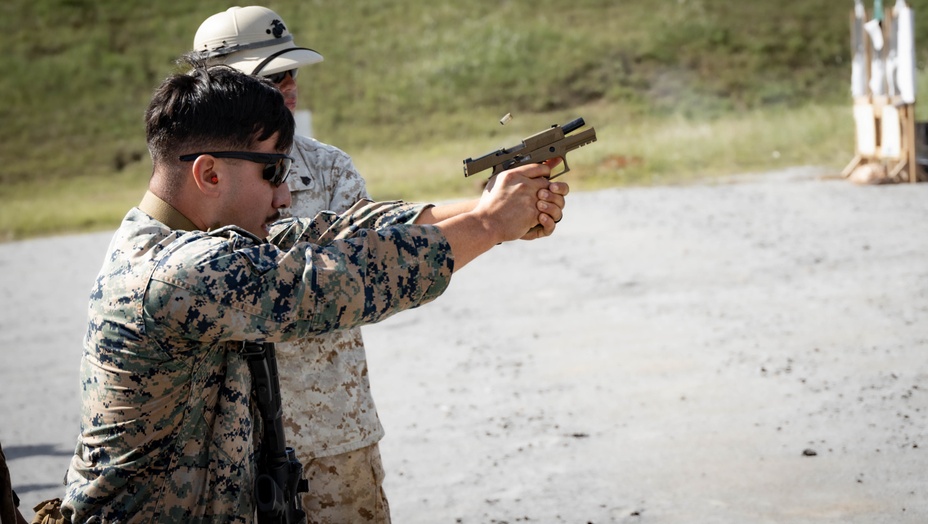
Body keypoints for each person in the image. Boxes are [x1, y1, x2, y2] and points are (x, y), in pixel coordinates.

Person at [60, 63, 568, 522]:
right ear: (209, 173)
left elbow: (334, 233)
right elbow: (337, 279)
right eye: (273, 172)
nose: (285, 196)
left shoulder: (183, 243)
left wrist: (489, 208)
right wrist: (491, 222)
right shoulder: (177, 273)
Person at [190, 6, 545, 521]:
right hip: (229, 446)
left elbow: (379, 241)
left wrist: (496, 214)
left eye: (291, 71)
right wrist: (489, 219)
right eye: (270, 76)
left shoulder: (328, 165)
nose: (288, 86)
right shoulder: (196, 180)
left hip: (335, 428)